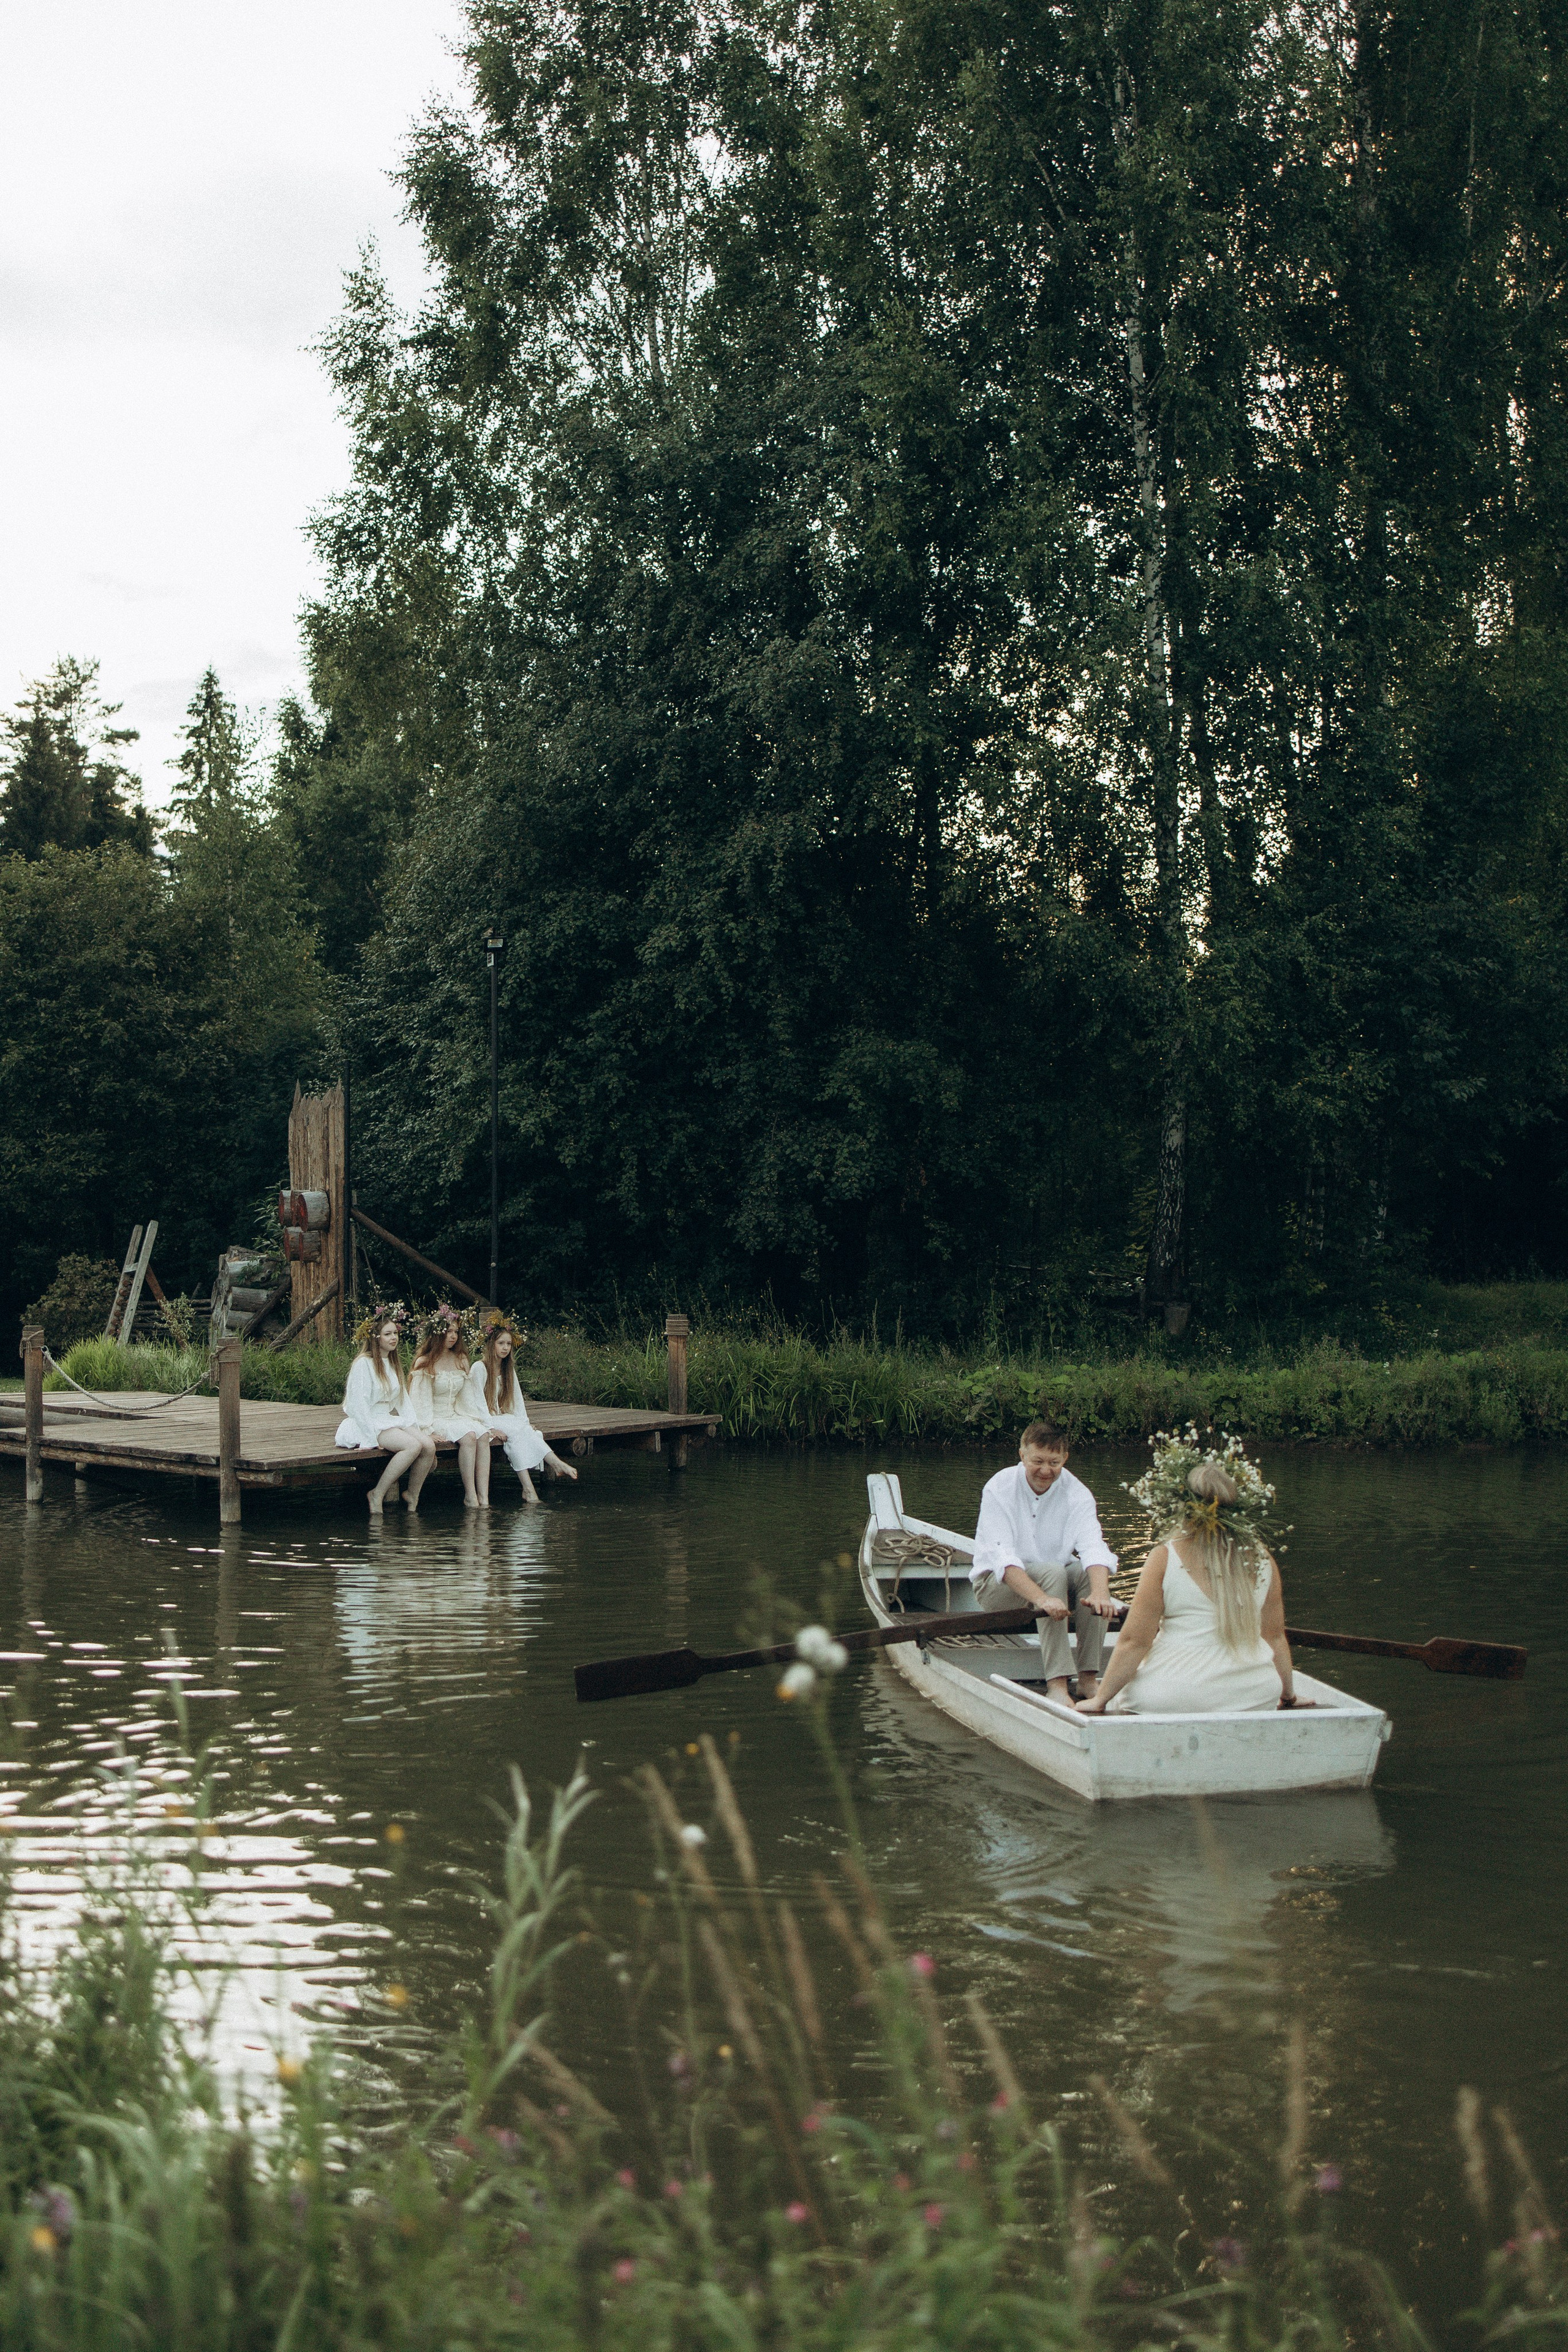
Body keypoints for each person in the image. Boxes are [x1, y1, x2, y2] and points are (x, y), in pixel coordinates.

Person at [1077, 1457, 1297, 1716]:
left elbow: (1134, 1641)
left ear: (1183, 1505)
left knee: (1125, 1699)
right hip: (1254, 1693)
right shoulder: (1262, 1558)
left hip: (1177, 1692)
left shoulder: (1166, 1556)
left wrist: (1100, 1699)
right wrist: (1289, 1695)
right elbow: (1274, 1637)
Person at [970, 1420, 1119, 1702]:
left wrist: (1101, 1594)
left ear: (1065, 1458)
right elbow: (1003, 1559)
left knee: (1088, 1574)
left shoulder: (1077, 1492)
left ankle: (1088, 1679)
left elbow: (1093, 1546)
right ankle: (1058, 1685)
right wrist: (1042, 1598)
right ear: (1022, 1455)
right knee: (1054, 1572)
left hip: (1054, 1581)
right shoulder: (999, 1488)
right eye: (1037, 1461)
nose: (1046, 1471)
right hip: (996, 1587)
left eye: (1054, 1462)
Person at [335, 1306, 436, 1513]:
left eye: (395, 1333)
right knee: (411, 1446)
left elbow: (403, 1401)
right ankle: (377, 1493)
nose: (393, 1338)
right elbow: (358, 1404)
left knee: (428, 1446)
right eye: (388, 1334)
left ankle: (413, 1495)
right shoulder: (363, 1364)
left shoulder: (392, 1362)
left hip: (386, 1419)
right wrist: (370, 1437)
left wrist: (415, 1427)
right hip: (368, 1421)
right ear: (376, 1337)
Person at [466, 1317, 579, 1501]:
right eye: (501, 1343)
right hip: (482, 1419)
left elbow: (517, 1401)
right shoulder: (480, 1367)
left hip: (500, 1418)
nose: (505, 1348)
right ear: (491, 1344)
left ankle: (529, 1488)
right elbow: (476, 1403)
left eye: (509, 1344)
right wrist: (489, 1428)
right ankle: (554, 1465)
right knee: (516, 1429)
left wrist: (525, 1422)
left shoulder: (507, 1368)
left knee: (524, 1430)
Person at [408, 1304, 492, 1509]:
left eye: (456, 1332)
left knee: (482, 1434)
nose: (453, 1336)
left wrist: (477, 1418)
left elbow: (467, 1396)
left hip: (455, 1414)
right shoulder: (425, 1362)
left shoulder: (461, 1359)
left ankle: (484, 1496)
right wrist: (426, 1429)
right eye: (448, 1331)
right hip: (435, 1417)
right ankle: (470, 1496)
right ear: (437, 1334)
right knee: (470, 1436)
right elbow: (419, 1401)